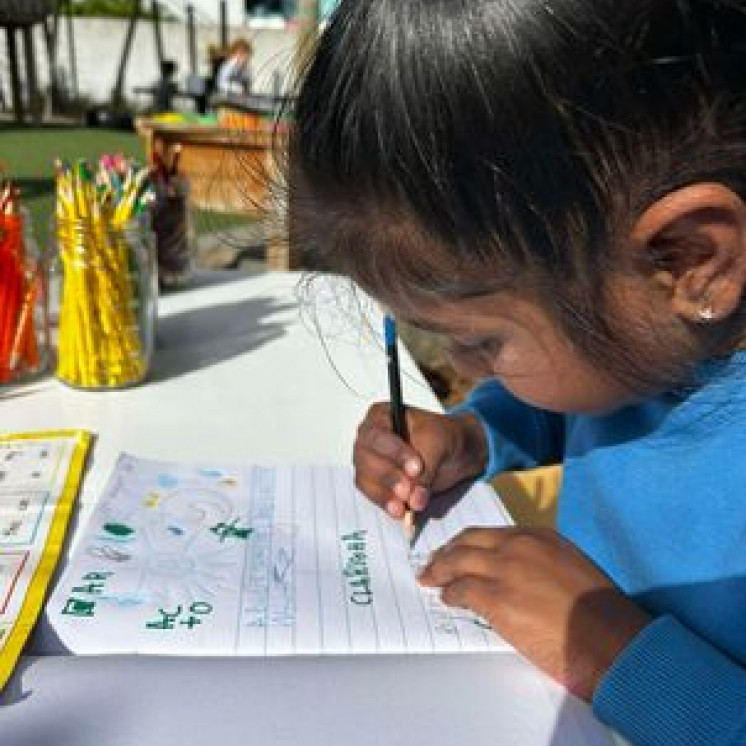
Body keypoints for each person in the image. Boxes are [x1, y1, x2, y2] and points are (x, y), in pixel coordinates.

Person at [287, 1, 746, 745]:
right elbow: (570, 405)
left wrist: (612, 653)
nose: (462, 369)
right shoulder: (650, 333)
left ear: (687, 260)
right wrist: (478, 434)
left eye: (485, 342)